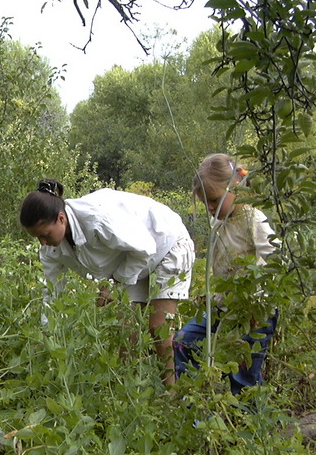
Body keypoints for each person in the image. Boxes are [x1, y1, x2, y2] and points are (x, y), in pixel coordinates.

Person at [20, 179, 195, 385]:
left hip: (165, 243)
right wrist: (47, 335)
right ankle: (126, 390)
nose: (42, 242)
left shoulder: (97, 219)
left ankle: (171, 392)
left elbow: (145, 247)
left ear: (61, 218)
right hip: (132, 258)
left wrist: (114, 284)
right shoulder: (50, 249)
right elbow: (52, 290)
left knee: (158, 326)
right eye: (37, 238)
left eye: (45, 234)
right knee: (124, 327)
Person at [173, 153, 278, 396]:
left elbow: (275, 259)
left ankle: (252, 428)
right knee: (183, 340)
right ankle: (194, 406)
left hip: (254, 312)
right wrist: (213, 296)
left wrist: (259, 305)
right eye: (205, 202)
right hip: (224, 308)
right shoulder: (219, 225)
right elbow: (223, 270)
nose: (210, 207)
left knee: (243, 377)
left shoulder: (253, 219)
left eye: (214, 200)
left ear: (235, 187)